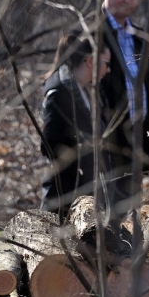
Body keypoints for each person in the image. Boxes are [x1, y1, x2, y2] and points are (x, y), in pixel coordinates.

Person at [100, 0, 149, 222]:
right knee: (99, 215)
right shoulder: (90, 35)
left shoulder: (141, 38)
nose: (127, 1)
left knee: (124, 217)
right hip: (105, 142)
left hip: (138, 140)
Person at [40, 32, 112, 219]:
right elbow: (49, 145)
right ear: (90, 61)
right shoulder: (59, 93)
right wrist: (83, 149)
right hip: (64, 196)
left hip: (86, 194)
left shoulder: (88, 90)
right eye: (106, 63)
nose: (108, 70)